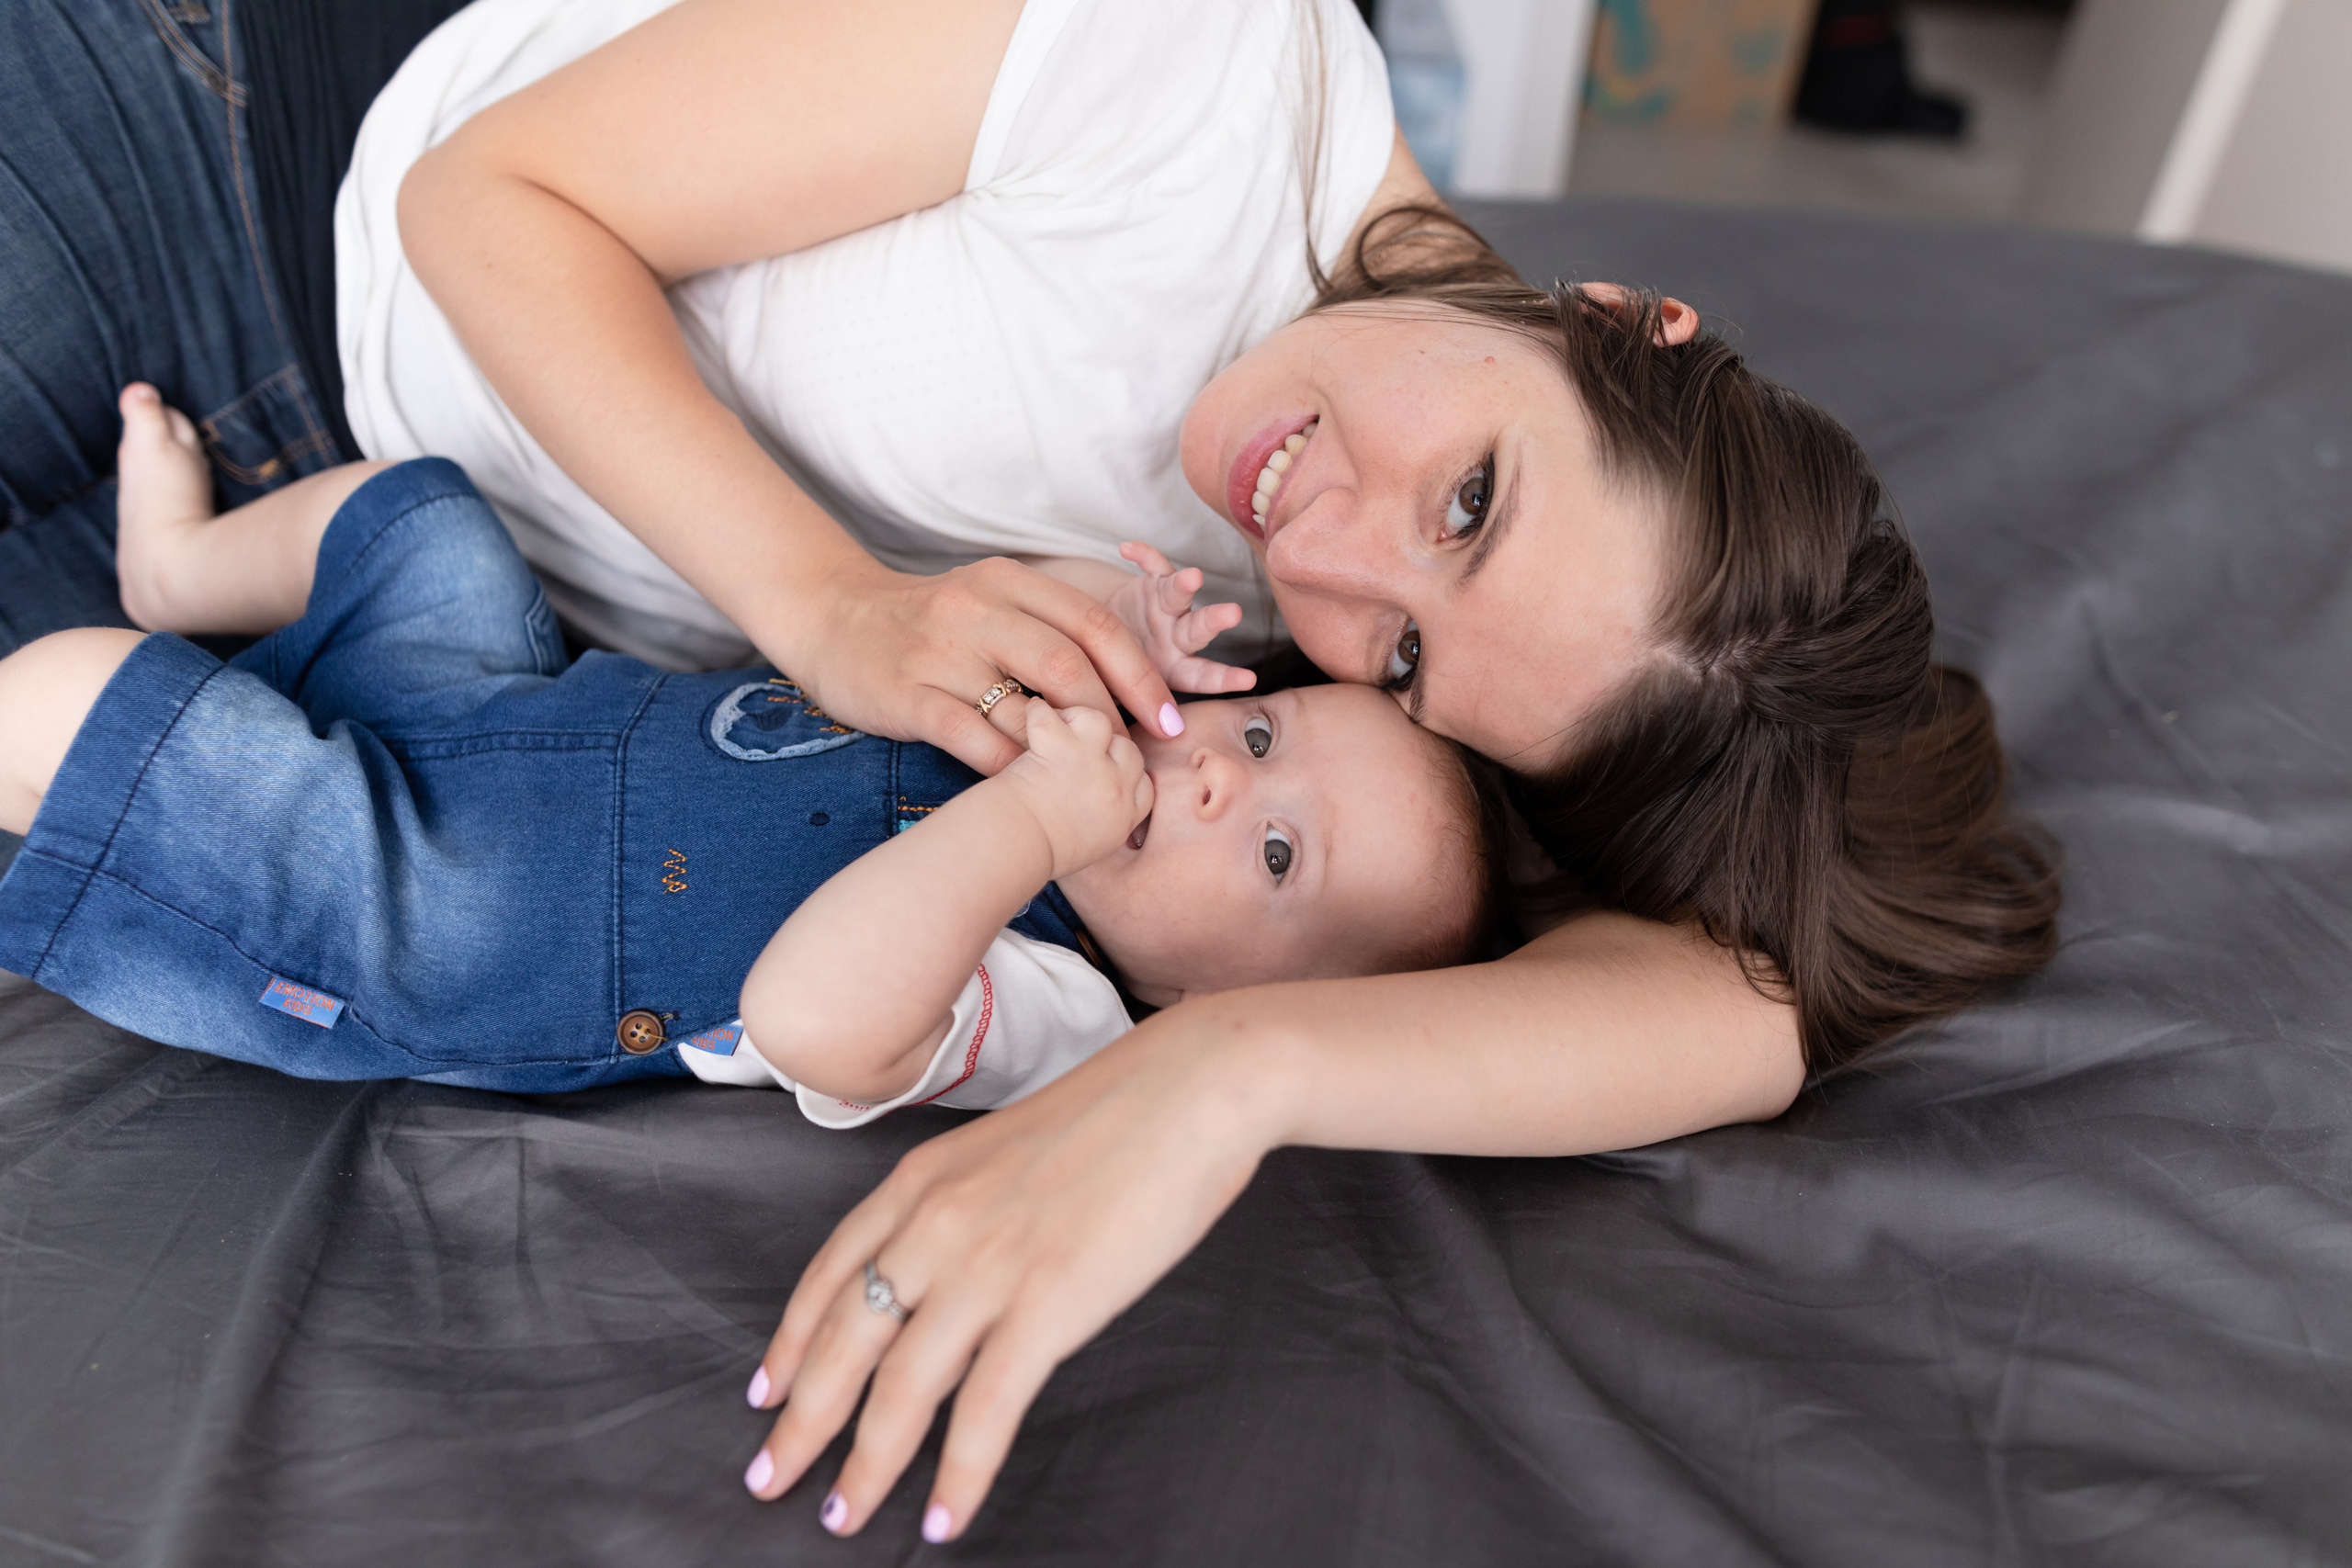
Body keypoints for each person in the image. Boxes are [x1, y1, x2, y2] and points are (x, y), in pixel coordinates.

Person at [0, 0, 2058, 1542]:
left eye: (1408, 657)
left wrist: (1221, 1080)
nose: (1322, 556)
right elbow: (485, 199)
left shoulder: (1295, 698)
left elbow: (1755, 999)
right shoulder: (1186, 69)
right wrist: (829, 609)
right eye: (1469, 499)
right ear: (1621, 313)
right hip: (243, 186)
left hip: (344, 554)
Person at [0, 390, 1500, 1117]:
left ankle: (155, 681)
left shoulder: (1062, 1005)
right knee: (425, 512)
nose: (1227, 778)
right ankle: (184, 573)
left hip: (424, 915)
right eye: (1263, 727)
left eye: (1278, 854)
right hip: (508, 710)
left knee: (67, 702)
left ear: (1211, 1009)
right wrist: (1116, 624)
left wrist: (1037, 830)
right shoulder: (1075, 740)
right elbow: (967, 607)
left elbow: (819, 1013)